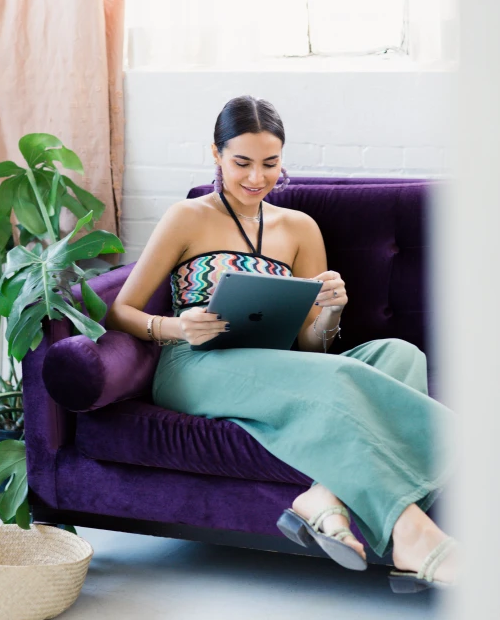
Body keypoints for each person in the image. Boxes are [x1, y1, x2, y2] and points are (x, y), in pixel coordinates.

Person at [107, 95, 458, 593]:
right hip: (196, 364)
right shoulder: (186, 217)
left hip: (278, 361)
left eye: (270, 164)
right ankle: (412, 534)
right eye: (241, 163)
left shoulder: (299, 228)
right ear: (216, 154)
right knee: (343, 379)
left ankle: (324, 497)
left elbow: (313, 350)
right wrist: (175, 327)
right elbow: (120, 310)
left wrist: (331, 309)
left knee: (402, 354)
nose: (256, 178)